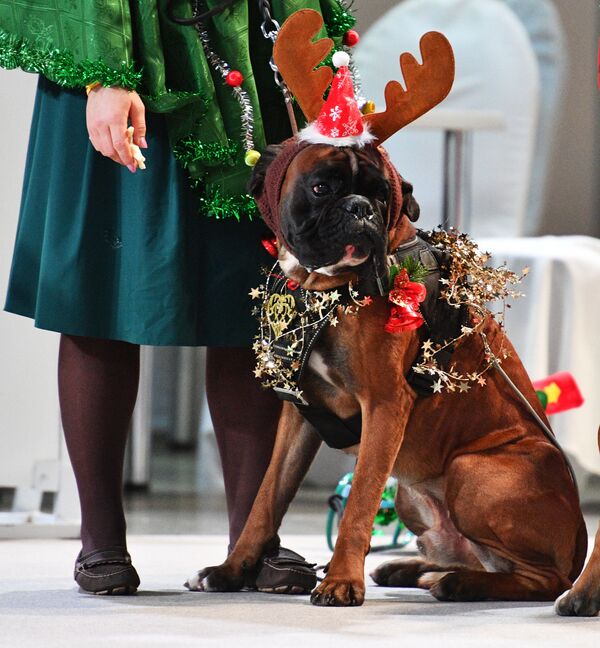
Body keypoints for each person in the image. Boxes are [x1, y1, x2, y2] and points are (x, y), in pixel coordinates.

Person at [0, 0, 353, 594]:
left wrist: (319, 42)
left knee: (255, 299)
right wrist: (105, 71)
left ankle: (254, 539)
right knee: (101, 295)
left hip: (245, 46)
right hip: (122, 40)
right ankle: (101, 540)